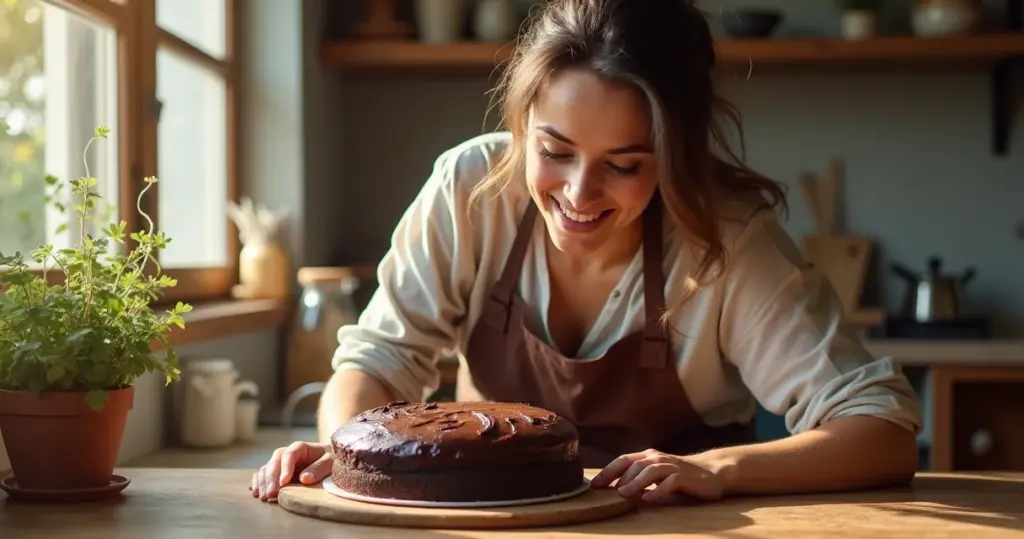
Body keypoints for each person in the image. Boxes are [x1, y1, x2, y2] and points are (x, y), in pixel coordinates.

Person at [251, 0, 922, 505]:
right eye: (555, 151)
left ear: (674, 154)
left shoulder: (727, 240)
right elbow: (378, 363)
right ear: (522, 123)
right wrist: (350, 452)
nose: (578, 193)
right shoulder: (470, 191)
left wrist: (718, 469)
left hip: (673, 527)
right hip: (493, 522)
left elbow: (882, 428)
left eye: (624, 165)